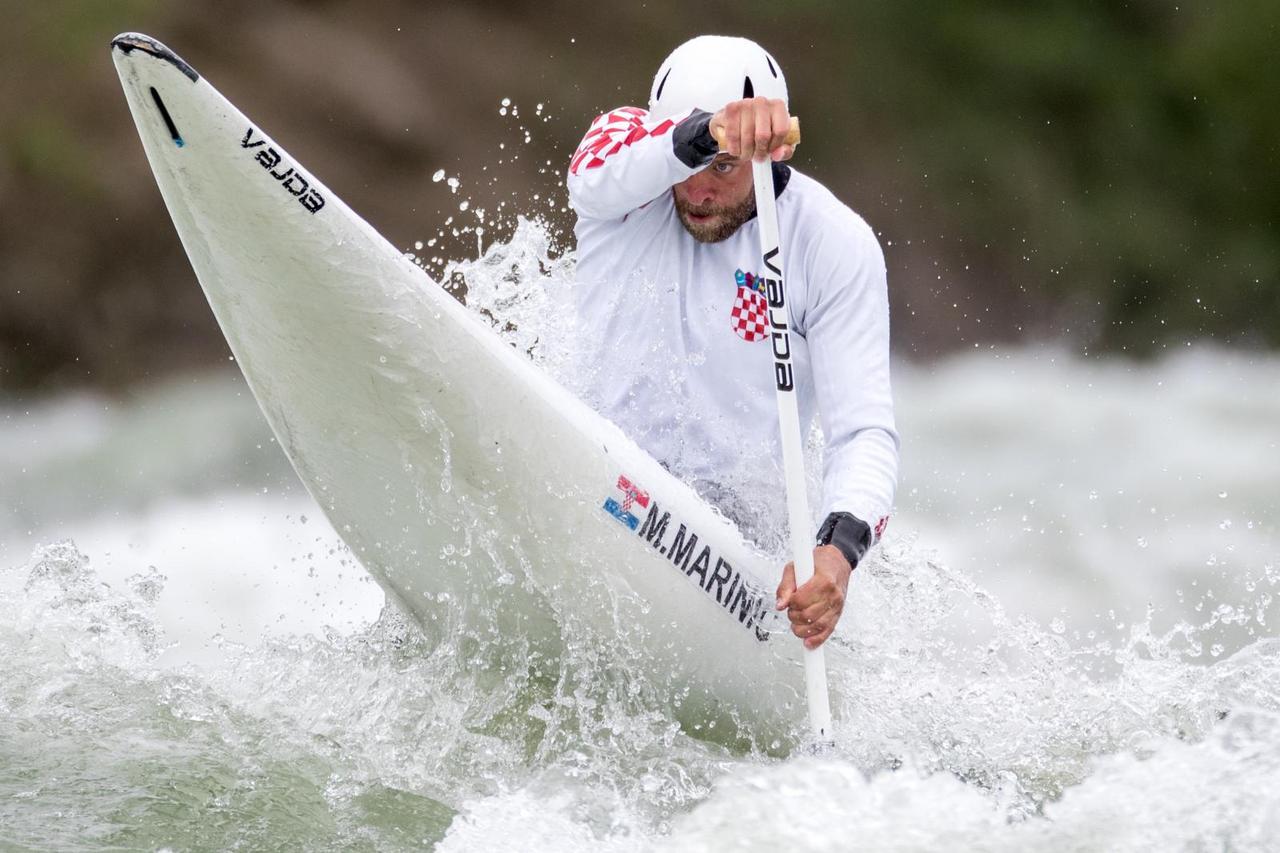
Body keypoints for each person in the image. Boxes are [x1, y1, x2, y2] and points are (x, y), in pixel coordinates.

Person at [565, 35, 898, 649]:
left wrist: (833, 558)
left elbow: (864, 434)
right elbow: (599, 176)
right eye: (691, 163)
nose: (697, 191)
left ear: (773, 154)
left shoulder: (833, 245)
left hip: (723, 550)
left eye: (723, 167)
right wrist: (707, 138)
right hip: (591, 480)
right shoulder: (623, 160)